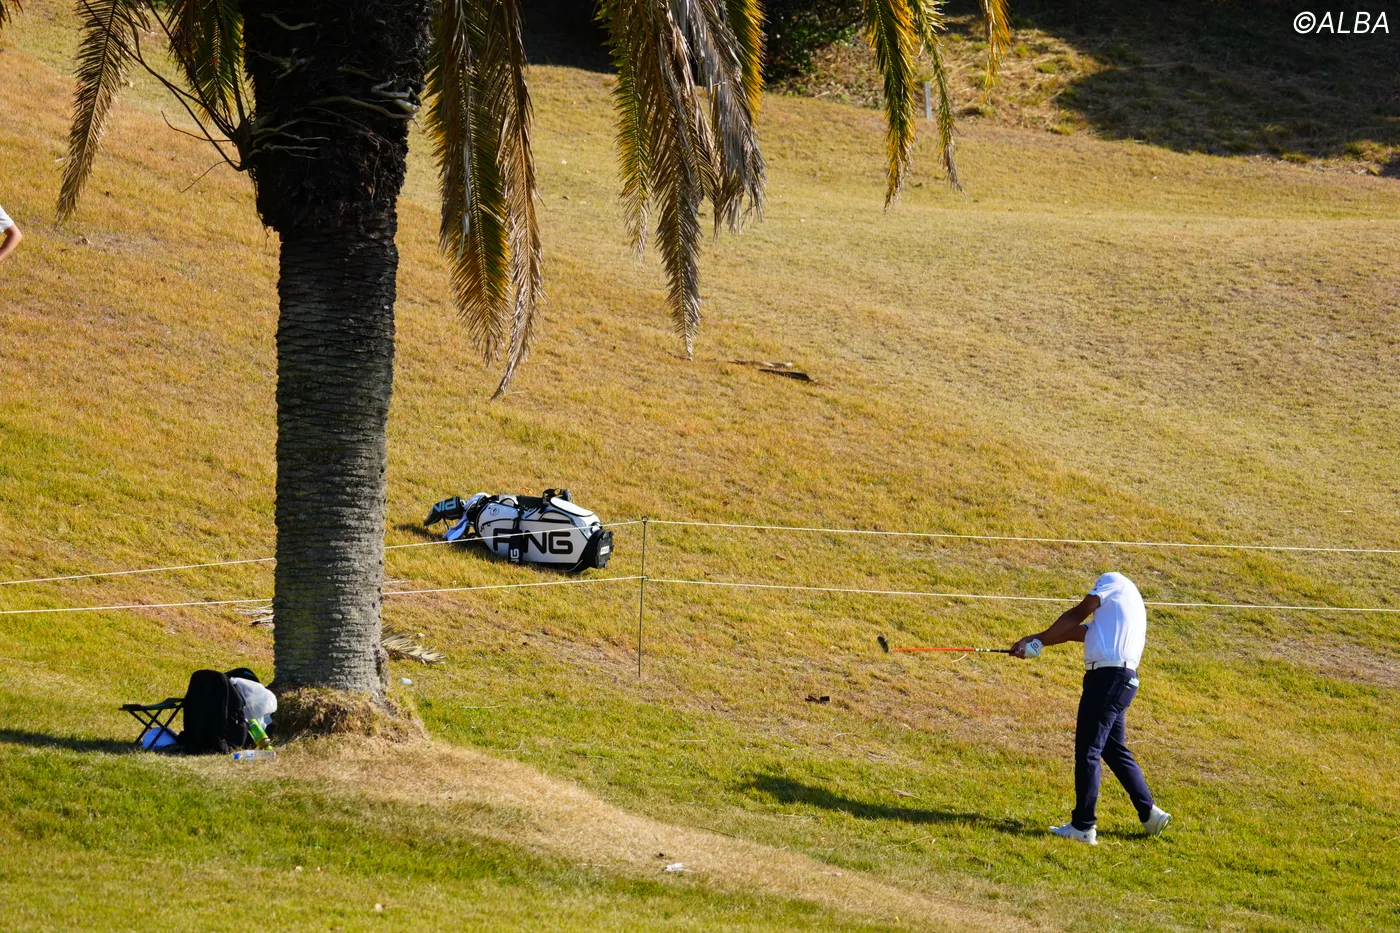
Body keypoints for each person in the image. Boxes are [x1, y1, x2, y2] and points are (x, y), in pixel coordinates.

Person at [1011, 571, 1171, 844]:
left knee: (1088, 750)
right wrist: (1034, 640)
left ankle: (1083, 826)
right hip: (1122, 681)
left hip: (1106, 679)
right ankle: (1150, 813)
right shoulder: (1115, 619)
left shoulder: (1113, 580)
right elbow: (1075, 632)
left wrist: (1038, 641)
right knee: (1112, 748)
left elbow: (1076, 614)